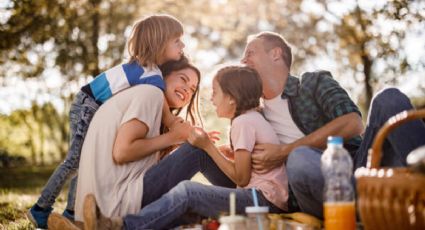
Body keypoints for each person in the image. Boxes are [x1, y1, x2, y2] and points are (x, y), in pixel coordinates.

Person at [240, 31, 425, 218]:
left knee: (389, 98)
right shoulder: (254, 117)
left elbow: (353, 123)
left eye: (250, 53)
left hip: (360, 167)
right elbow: (242, 175)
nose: (243, 61)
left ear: (275, 54)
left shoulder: (313, 83)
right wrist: (220, 150)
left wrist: (283, 151)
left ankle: (409, 191)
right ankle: (372, 208)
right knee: (300, 158)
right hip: (318, 187)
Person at [79, 66, 289, 230]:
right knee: (197, 163)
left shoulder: (243, 123)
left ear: (232, 98)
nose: (211, 98)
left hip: (262, 202)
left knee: (189, 192)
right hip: (259, 196)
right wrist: (214, 150)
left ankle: (123, 227)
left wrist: (209, 146)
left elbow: (242, 178)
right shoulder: (249, 119)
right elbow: (245, 173)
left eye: (215, 92)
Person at [27, 14, 186, 228]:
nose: (182, 45)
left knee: (83, 162)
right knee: (74, 161)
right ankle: (41, 209)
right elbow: (166, 112)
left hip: (91, 105)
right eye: (177, 40)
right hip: (87, 104)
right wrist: (178, 129)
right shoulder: (148, 72)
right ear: (159, 41)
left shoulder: (149, 72)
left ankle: (72, 213)